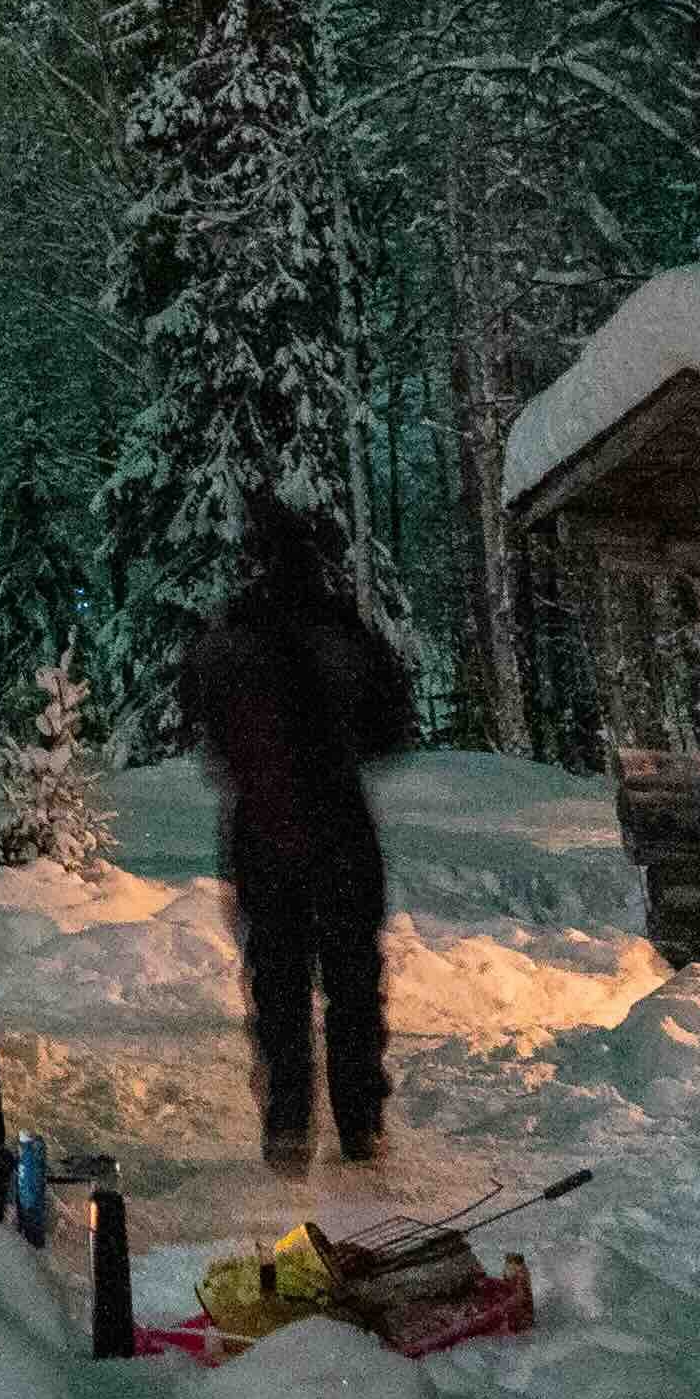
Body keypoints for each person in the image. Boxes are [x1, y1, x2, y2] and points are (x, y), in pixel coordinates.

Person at [186, 497, 411, 1174]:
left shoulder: (228, 638)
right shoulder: (343, 631)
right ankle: (361, 1122)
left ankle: (288, 1125)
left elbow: (208, 734)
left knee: (278, 981)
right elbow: (390, 728)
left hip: (262, 831)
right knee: (352, 979)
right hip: (340, 826)